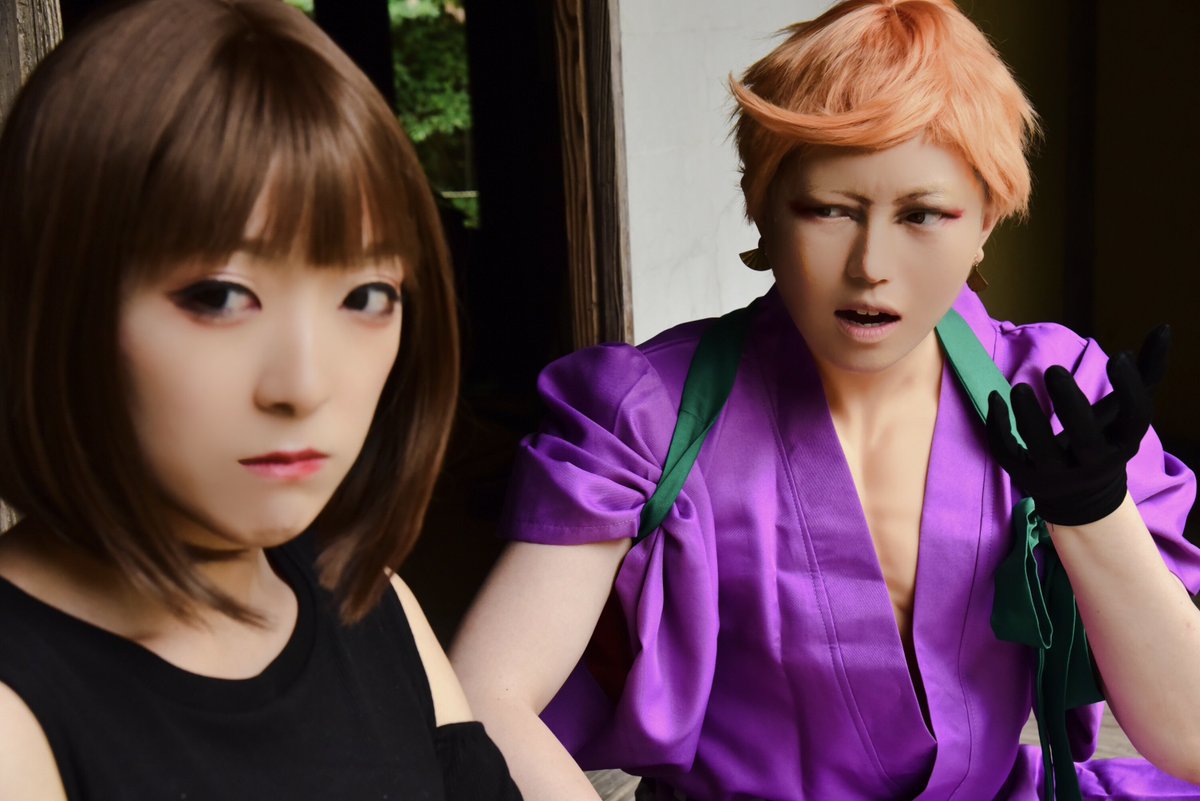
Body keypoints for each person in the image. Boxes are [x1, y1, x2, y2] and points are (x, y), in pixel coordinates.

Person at [449, 1, 1200, 799]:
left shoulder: (1056, 392)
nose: (872, 264)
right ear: (762, 206)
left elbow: (1189, 737)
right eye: (830, 210)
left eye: (922, 215)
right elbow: (483, 699)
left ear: (985, 219)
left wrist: (1095, 513)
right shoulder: (646, 412)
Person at [0, 1, 521, 798]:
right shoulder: (17, 708)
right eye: (218, 296)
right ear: (55, 302)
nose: (304, 385)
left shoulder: (366, 597)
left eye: (366, 295)